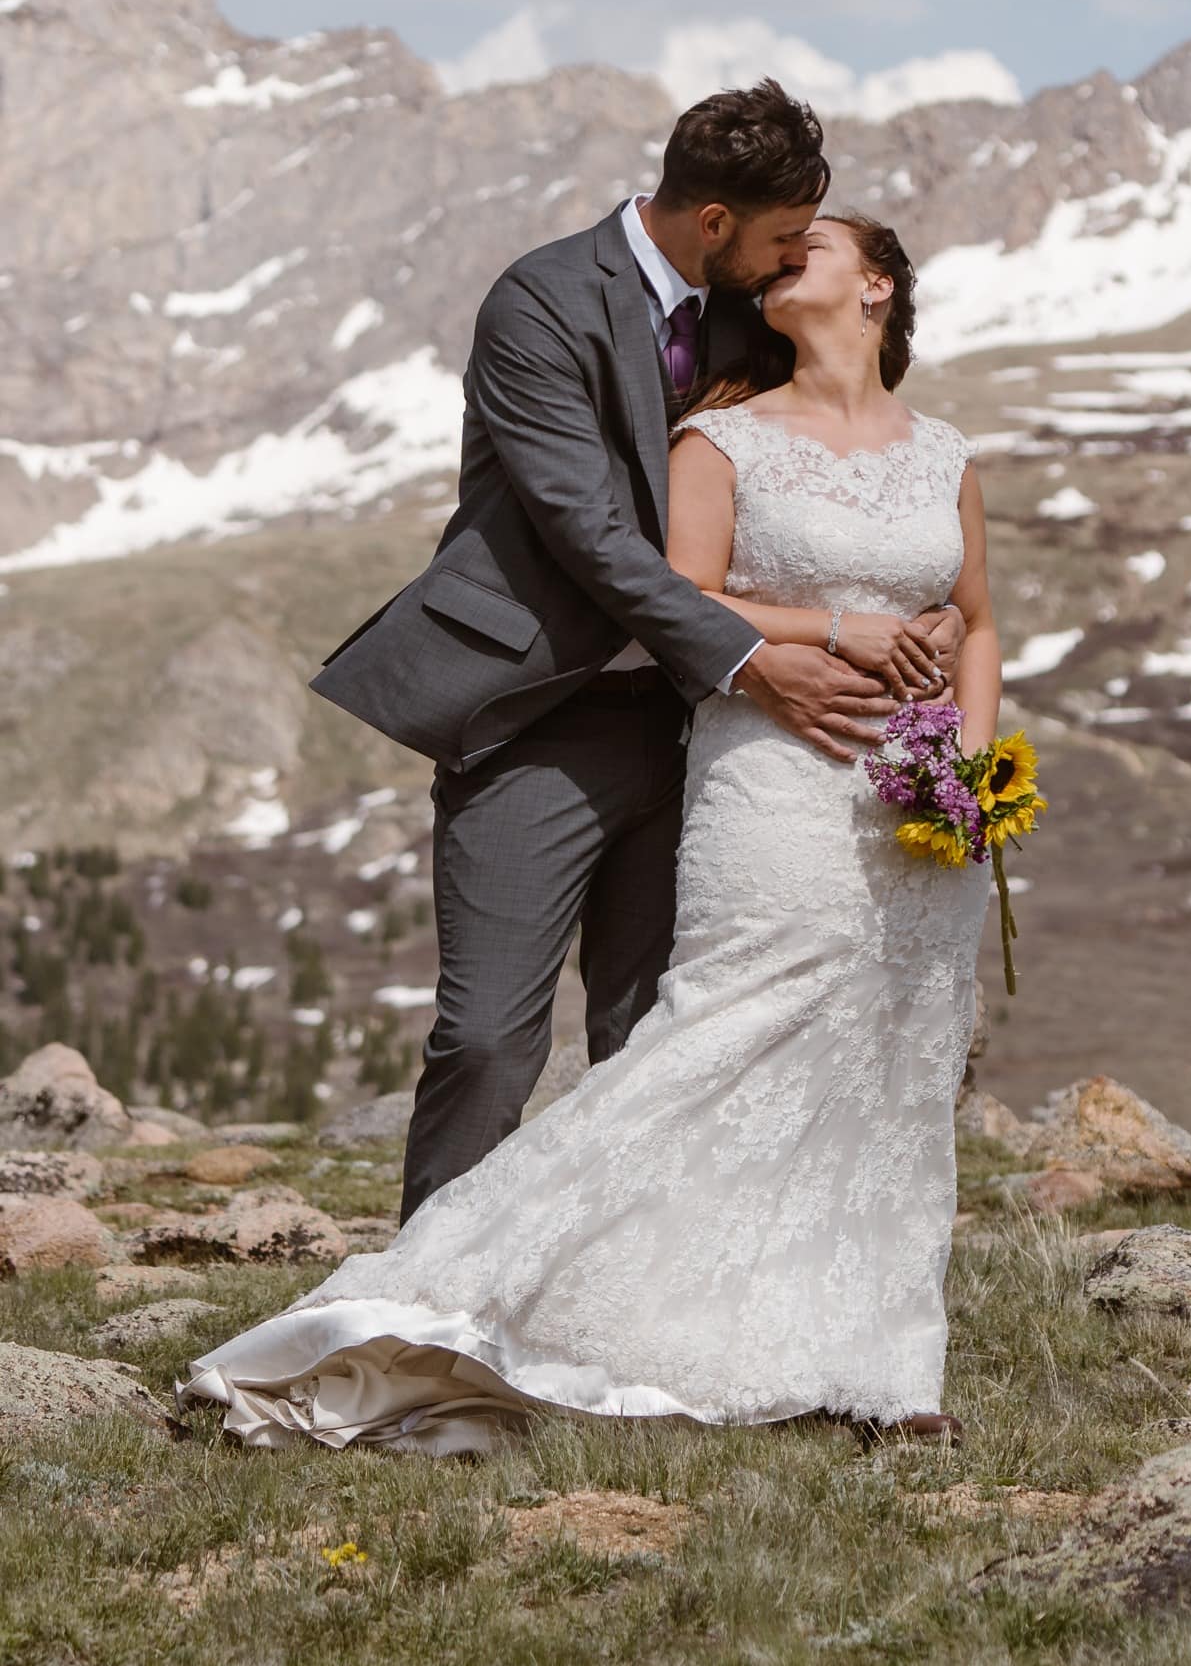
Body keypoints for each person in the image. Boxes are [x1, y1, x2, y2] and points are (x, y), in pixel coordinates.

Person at [181, 209, 1001, 1449]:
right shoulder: (719, 436)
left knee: (890, 1068)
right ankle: (442, 1294)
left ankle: (880, 1367)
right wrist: (828, 630)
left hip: (912, 801)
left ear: (880, 286)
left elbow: (976, 618)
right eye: (775, 246)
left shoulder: (945, 451)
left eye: (813, 247)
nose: (784, 262)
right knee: (705, 1037)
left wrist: (972, 770)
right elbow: (679, 593)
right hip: (775, 773)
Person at [301, 80, 962, 1224]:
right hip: (543, 714)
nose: (789, 258)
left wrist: (927, 599)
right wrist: (757, 661)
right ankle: (422, 1306)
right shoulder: (541, 303)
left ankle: (615, 1302)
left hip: (700, 737)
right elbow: (591, 537)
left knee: (655, 1032)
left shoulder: (748, 305)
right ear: (713, 222)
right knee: (489, 1035)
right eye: (778, 236)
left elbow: (830, 468)